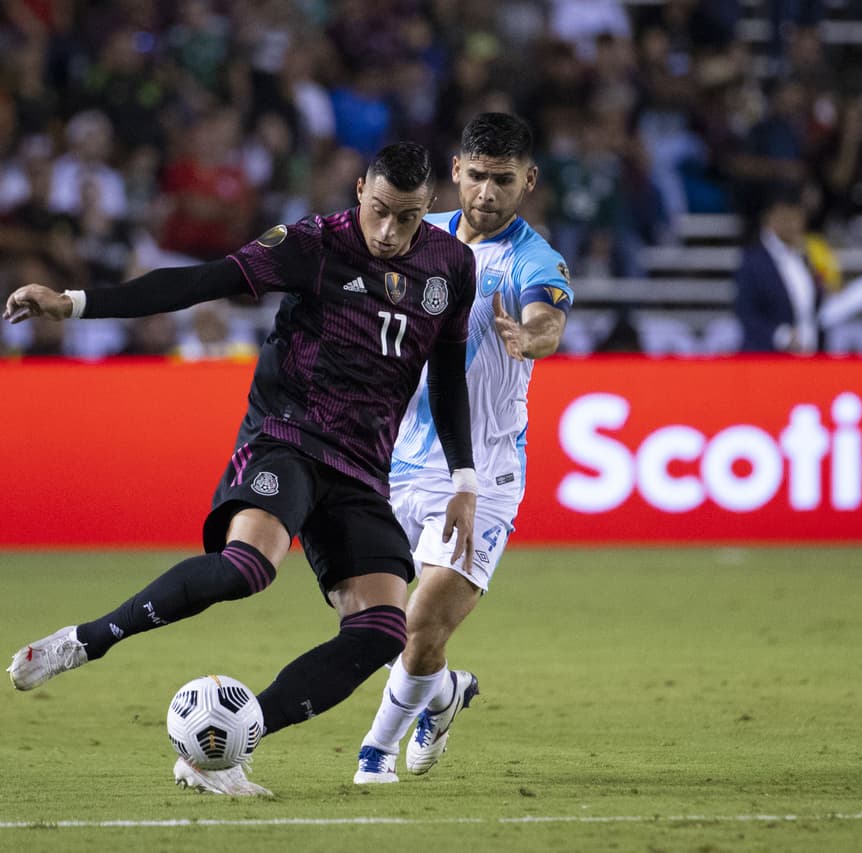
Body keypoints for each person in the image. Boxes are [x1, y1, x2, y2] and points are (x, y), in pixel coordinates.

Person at [4, 141, 478, 797]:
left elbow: (448, 377)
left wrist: (464, 479)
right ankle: (82, 641)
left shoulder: (451, 266)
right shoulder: (315, 243)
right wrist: (75, 302)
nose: (391, 231)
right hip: (288, 437)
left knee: (380, 630)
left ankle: (221, 748)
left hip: (363, 470)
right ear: (360, 189)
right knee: (246, 567)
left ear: (430, 208)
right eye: (380, 211)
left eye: (409, 217)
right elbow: (202, 281)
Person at [352, 112, 572, 784]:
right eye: (476, 175)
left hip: (484, 477)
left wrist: (527, 338)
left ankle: (374, 756)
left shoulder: (534, 259)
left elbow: (548, 320)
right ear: (455, 171)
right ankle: (444, 695)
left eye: (503, 179)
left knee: (418, 625)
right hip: (395, 463)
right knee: (372, 620)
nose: (486, 191)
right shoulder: (416, 236)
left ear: (527, 181)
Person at [734, 186, 822, 355]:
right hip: (769, 360)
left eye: (798, 217)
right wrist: (783, 337)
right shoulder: (752, 261)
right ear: (770, 218)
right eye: (788, 217)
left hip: (808, 356)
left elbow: (808, 305)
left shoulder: (803, 256)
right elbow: (746, 315)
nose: (794, 224)